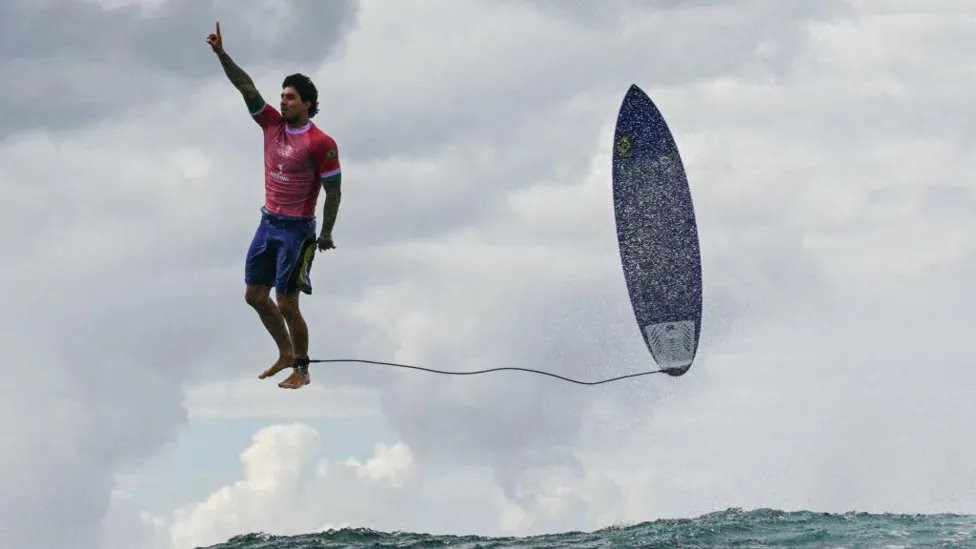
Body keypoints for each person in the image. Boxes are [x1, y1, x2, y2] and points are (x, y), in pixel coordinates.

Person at [206, 21, 342, 389]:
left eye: (291, 98)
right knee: (254, 295)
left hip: (297, 230)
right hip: (268, 223)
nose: (283, 101)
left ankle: (302, 367)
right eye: (282, 96)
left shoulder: (321, 142)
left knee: (286, 302)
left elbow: (334, 190)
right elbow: (246, 86)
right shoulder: (271, 124)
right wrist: (222, 54)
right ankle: (284, 352)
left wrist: (326, 232)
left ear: (308, 104)